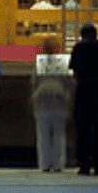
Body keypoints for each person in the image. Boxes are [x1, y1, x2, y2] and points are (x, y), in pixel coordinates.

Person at [69, 23, 98, 176]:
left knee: (83, 130)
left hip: (84, 90)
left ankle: (84, 165)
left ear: (82, 34)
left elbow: (75, 72)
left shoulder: (79, 47)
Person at [30, 34, 72, 172]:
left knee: (43, 134)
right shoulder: (62, 62)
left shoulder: (39, 62)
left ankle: (45, 164)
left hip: (42, 99)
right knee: (59, 133)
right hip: (59, 98)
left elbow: (34, 82)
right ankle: (58, 163)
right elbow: (67, 82)